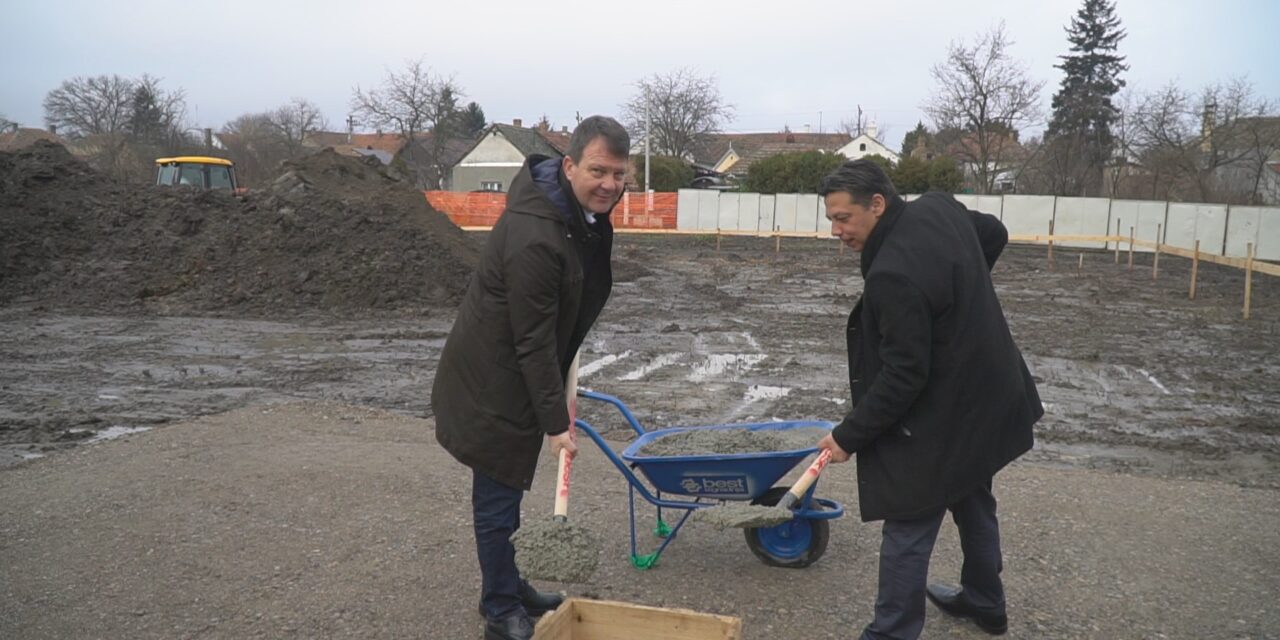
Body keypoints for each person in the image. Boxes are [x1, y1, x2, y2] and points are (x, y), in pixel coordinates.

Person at [814, 159, 1043, 639]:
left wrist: (847, 436)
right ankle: (986, 602)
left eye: (842, 218)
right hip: (990, 391)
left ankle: (892, 633)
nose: (835, 230)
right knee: (972, 495)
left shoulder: (893, 275)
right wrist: (961, 298)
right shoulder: (938, 207)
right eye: (831, 218)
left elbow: (903, 376)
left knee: (908, 522)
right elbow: (994, 233)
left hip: (953, 405)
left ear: (877, 204)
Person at [431, 116, 630, 640]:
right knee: (498, 495)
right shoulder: (536, 236)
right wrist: (555, 423)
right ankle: (500, 608)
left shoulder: (572, 216)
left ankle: (508, 584)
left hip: (519, 370)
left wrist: (562, 392)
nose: (609, 184)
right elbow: (533, 339)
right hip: (491, 381)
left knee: (509, 491)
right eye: (597, 170)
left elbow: (561, 317)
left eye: (619, 173)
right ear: (569, 166)